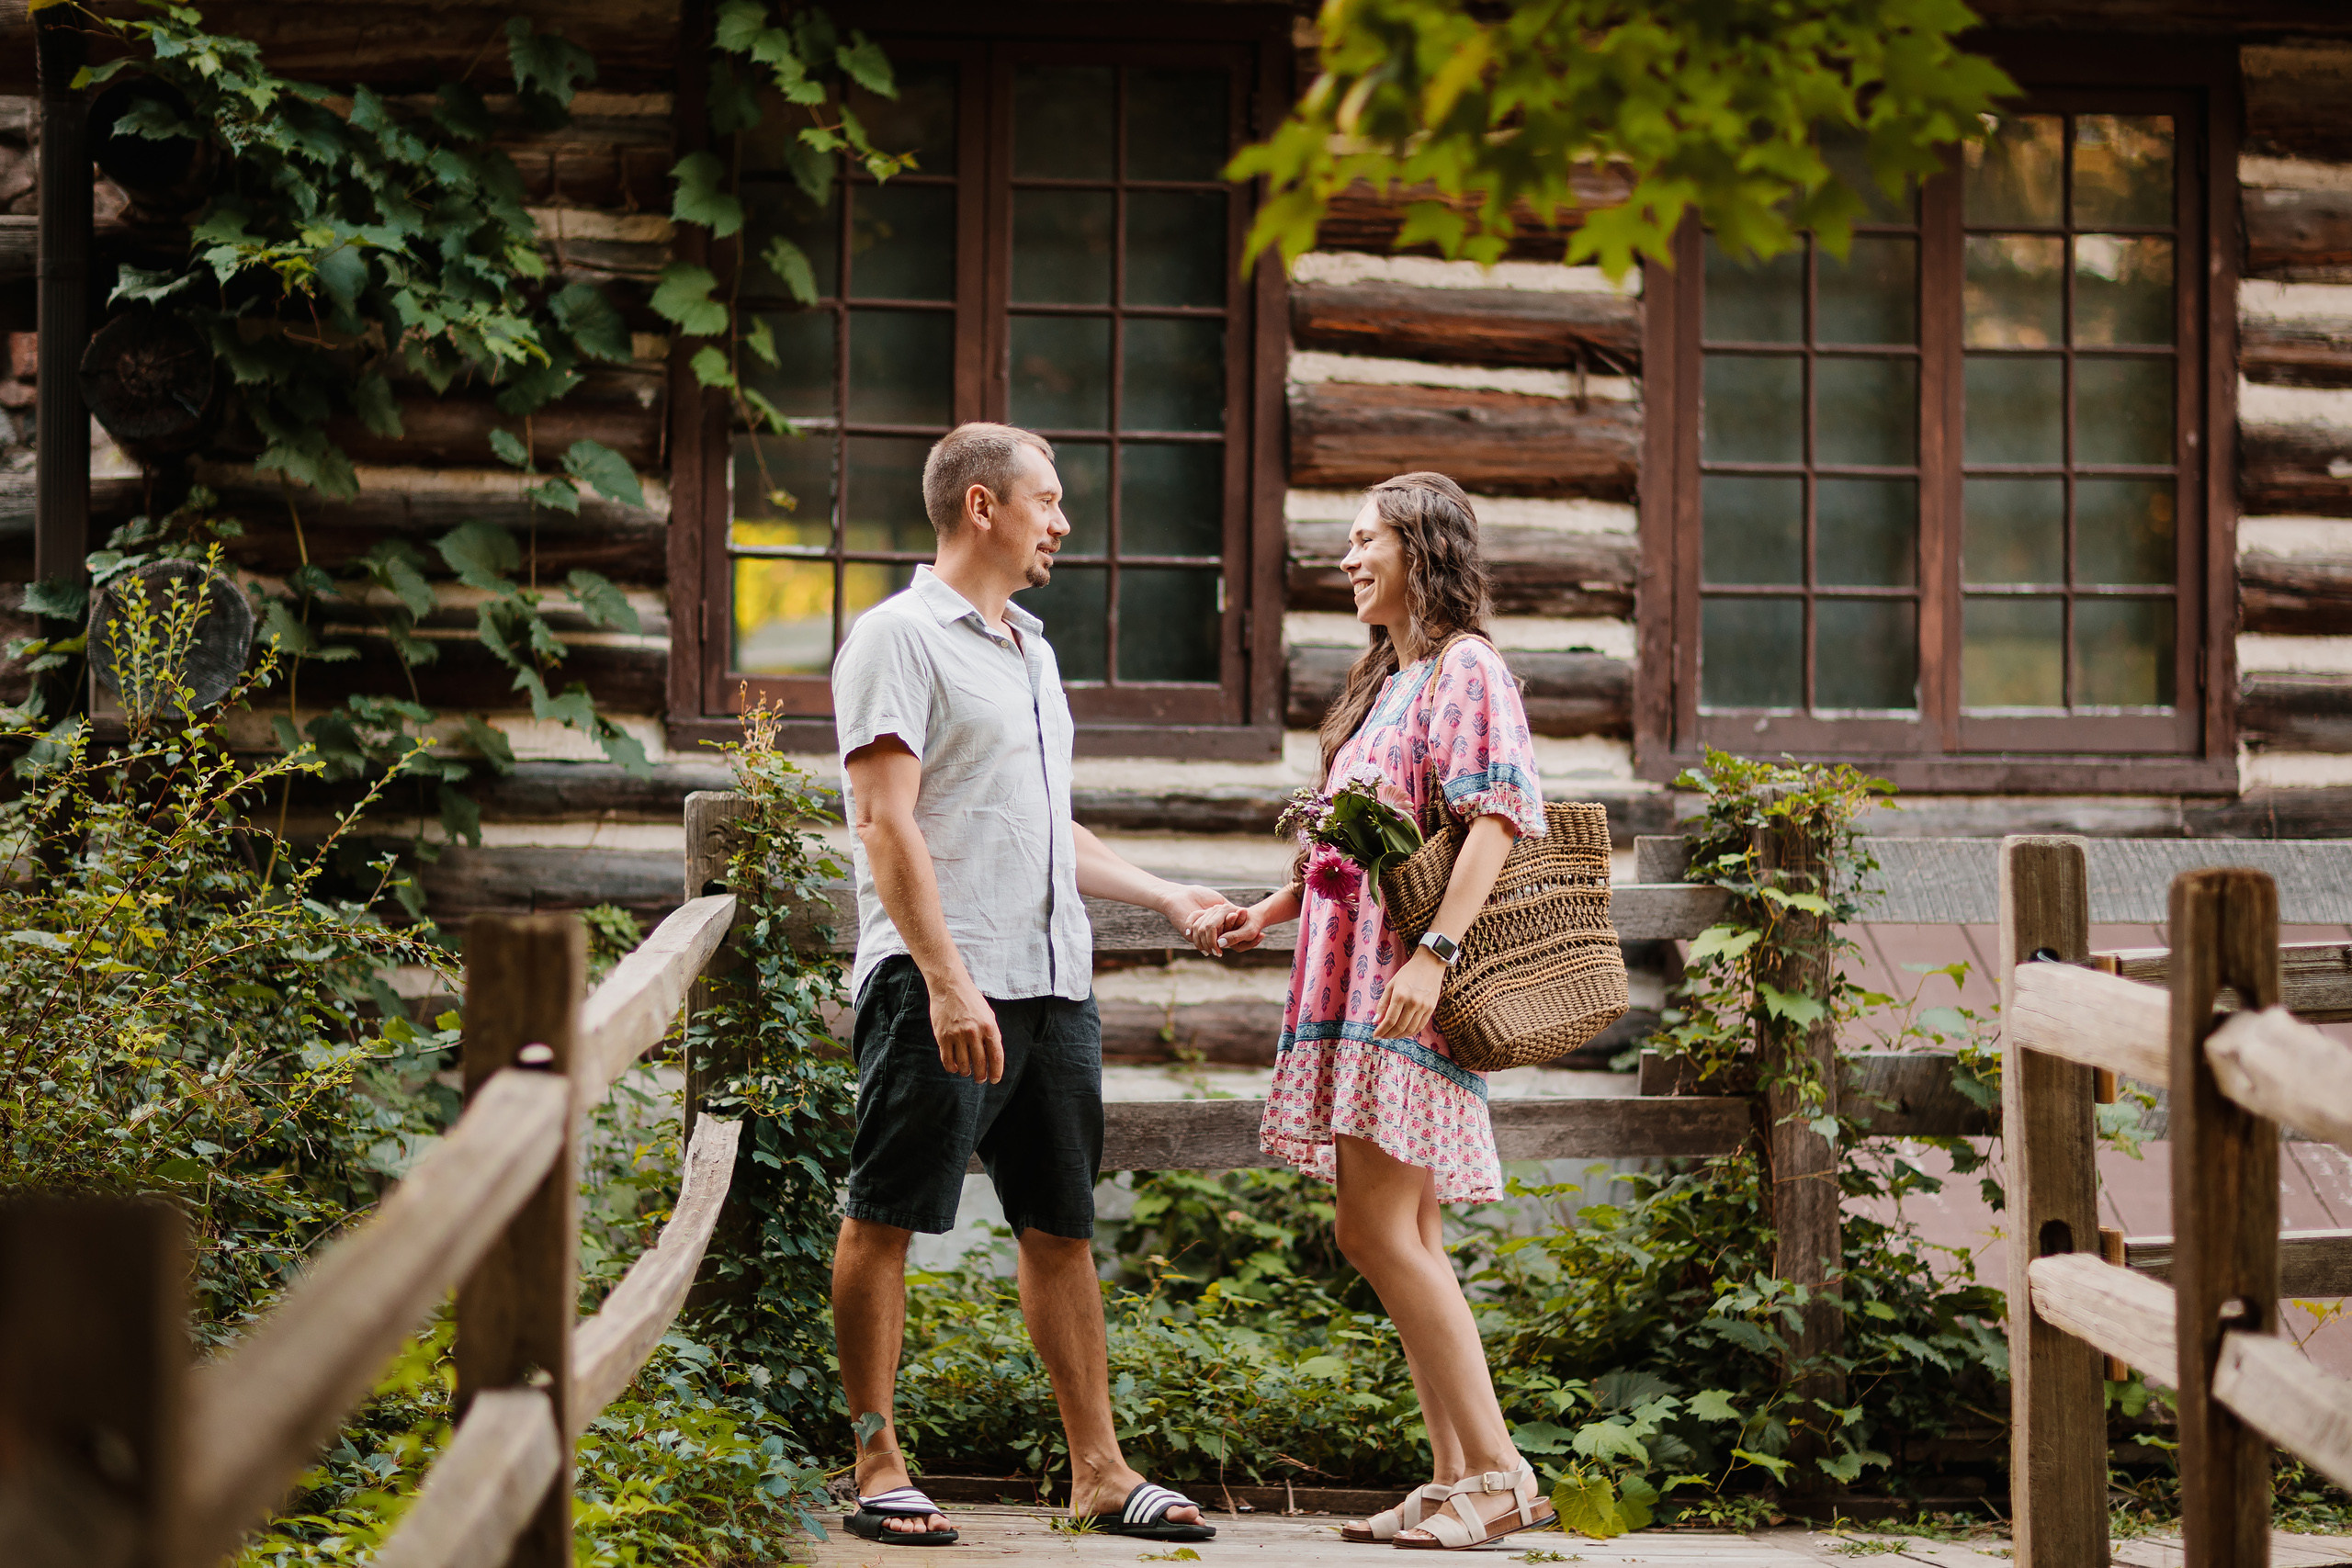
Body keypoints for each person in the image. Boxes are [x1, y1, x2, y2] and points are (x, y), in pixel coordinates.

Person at [830, 422, 1225, 1549]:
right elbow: (883, 820)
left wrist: (1168, 893)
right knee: (886, 1213)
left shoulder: (1029, 649)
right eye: (1046, 501)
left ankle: (1099, 1473)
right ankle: (877, 1460)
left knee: (1058, 1227)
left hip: (1054, 983)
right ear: (980, 508)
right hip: (941, 982)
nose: (1062, 523)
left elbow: (1047, 827)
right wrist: (948, 983)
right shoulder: (897, 638)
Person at [1193, 473, 1560, 1551]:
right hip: (1352, 982)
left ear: (1421, 548)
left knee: (1368, 1227)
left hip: (1405, 989)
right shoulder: (1384, 682)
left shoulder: (1466, 667)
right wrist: (1266, 908)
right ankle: (1452, 1478)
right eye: (1347, 544)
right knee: (1408, 1234)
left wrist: (1435, 959)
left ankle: (1499, 1473)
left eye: (1366, 542)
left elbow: (1495, 819)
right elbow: (1353, 846)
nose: (1347, 560)